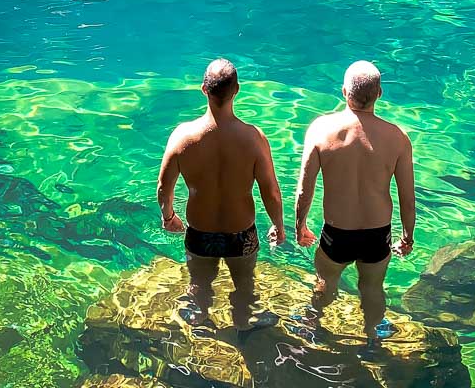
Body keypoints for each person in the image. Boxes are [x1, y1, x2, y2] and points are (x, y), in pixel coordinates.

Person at [157, 58, 285, 330]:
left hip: (199, 234)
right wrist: (278, 226)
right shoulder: (253, 138)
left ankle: (200, 331)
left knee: (198, 287)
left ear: (204, 89)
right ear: (236, 89)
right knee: (245, 289)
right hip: (242, 235)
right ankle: (244, 330)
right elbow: (271, 193)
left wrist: (169, 218)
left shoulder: (183, 136)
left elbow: (163, 188)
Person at [295, 61, 415, 346]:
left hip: (338, 232)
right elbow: (407, 197)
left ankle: (313, 324)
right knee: (372, 288)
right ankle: (373, 338)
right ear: (380, 93)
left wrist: (300, 225)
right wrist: (408, 236)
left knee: (326, 283)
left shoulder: (322, 129)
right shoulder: (397, 137)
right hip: (378, 233)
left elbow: (304, 187)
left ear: (344, 91)